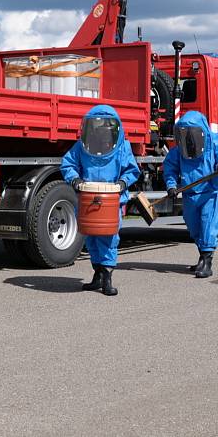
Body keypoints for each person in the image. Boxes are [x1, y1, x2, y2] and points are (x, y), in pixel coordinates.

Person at [61, 104, 140, 296]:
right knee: (91, 237)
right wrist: (75, 179)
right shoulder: (82, 146)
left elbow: (132, 170)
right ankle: (97, 274)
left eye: (106, 127)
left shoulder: (122, 147)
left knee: (108, 237)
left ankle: (107, 277)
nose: (102, 131)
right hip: (88, 197)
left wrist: (123, 182)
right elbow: (68, 164)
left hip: (111, 199)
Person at [163, 111, 218, 278]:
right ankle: (202, 256)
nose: (188, 137)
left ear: (201, 131)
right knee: (194, 226)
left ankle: (207, 261)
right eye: (184, 133)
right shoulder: (179, 150)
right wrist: (171, 186)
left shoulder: (216, 142)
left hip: (213, 190)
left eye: (191, 133)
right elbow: (170, 168)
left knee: (208, 223)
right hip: (191, 192)